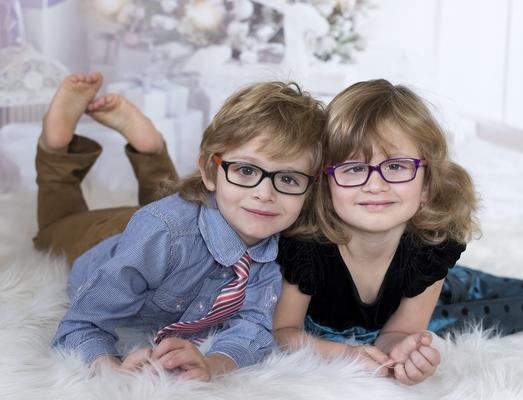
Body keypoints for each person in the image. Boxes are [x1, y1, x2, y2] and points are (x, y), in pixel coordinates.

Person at [36, 73, 325, 380]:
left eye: (288, 179)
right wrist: (113, 371)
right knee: (57, 225)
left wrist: (212, 365)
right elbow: (81, 324)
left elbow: (253, 329)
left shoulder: (280, 245)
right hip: (104, 236)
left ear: (310, 190)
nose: (265, 194)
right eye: (245, 170)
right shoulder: (162, 231)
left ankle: (150, 151)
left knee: (170, 204)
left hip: (187, 219)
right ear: (209, 171)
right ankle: (58, 147)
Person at [274, 79, 523, 385]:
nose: (375, 185)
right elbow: (283, 332)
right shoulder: (305, 248)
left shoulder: (429, 250)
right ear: (326, 186)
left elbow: (398, 332)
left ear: (427, 186)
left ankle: (457, 279)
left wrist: (403, 352)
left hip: (424, 283)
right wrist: (346, 354)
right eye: (354, 168)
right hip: (370, 306)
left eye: (396, 166)